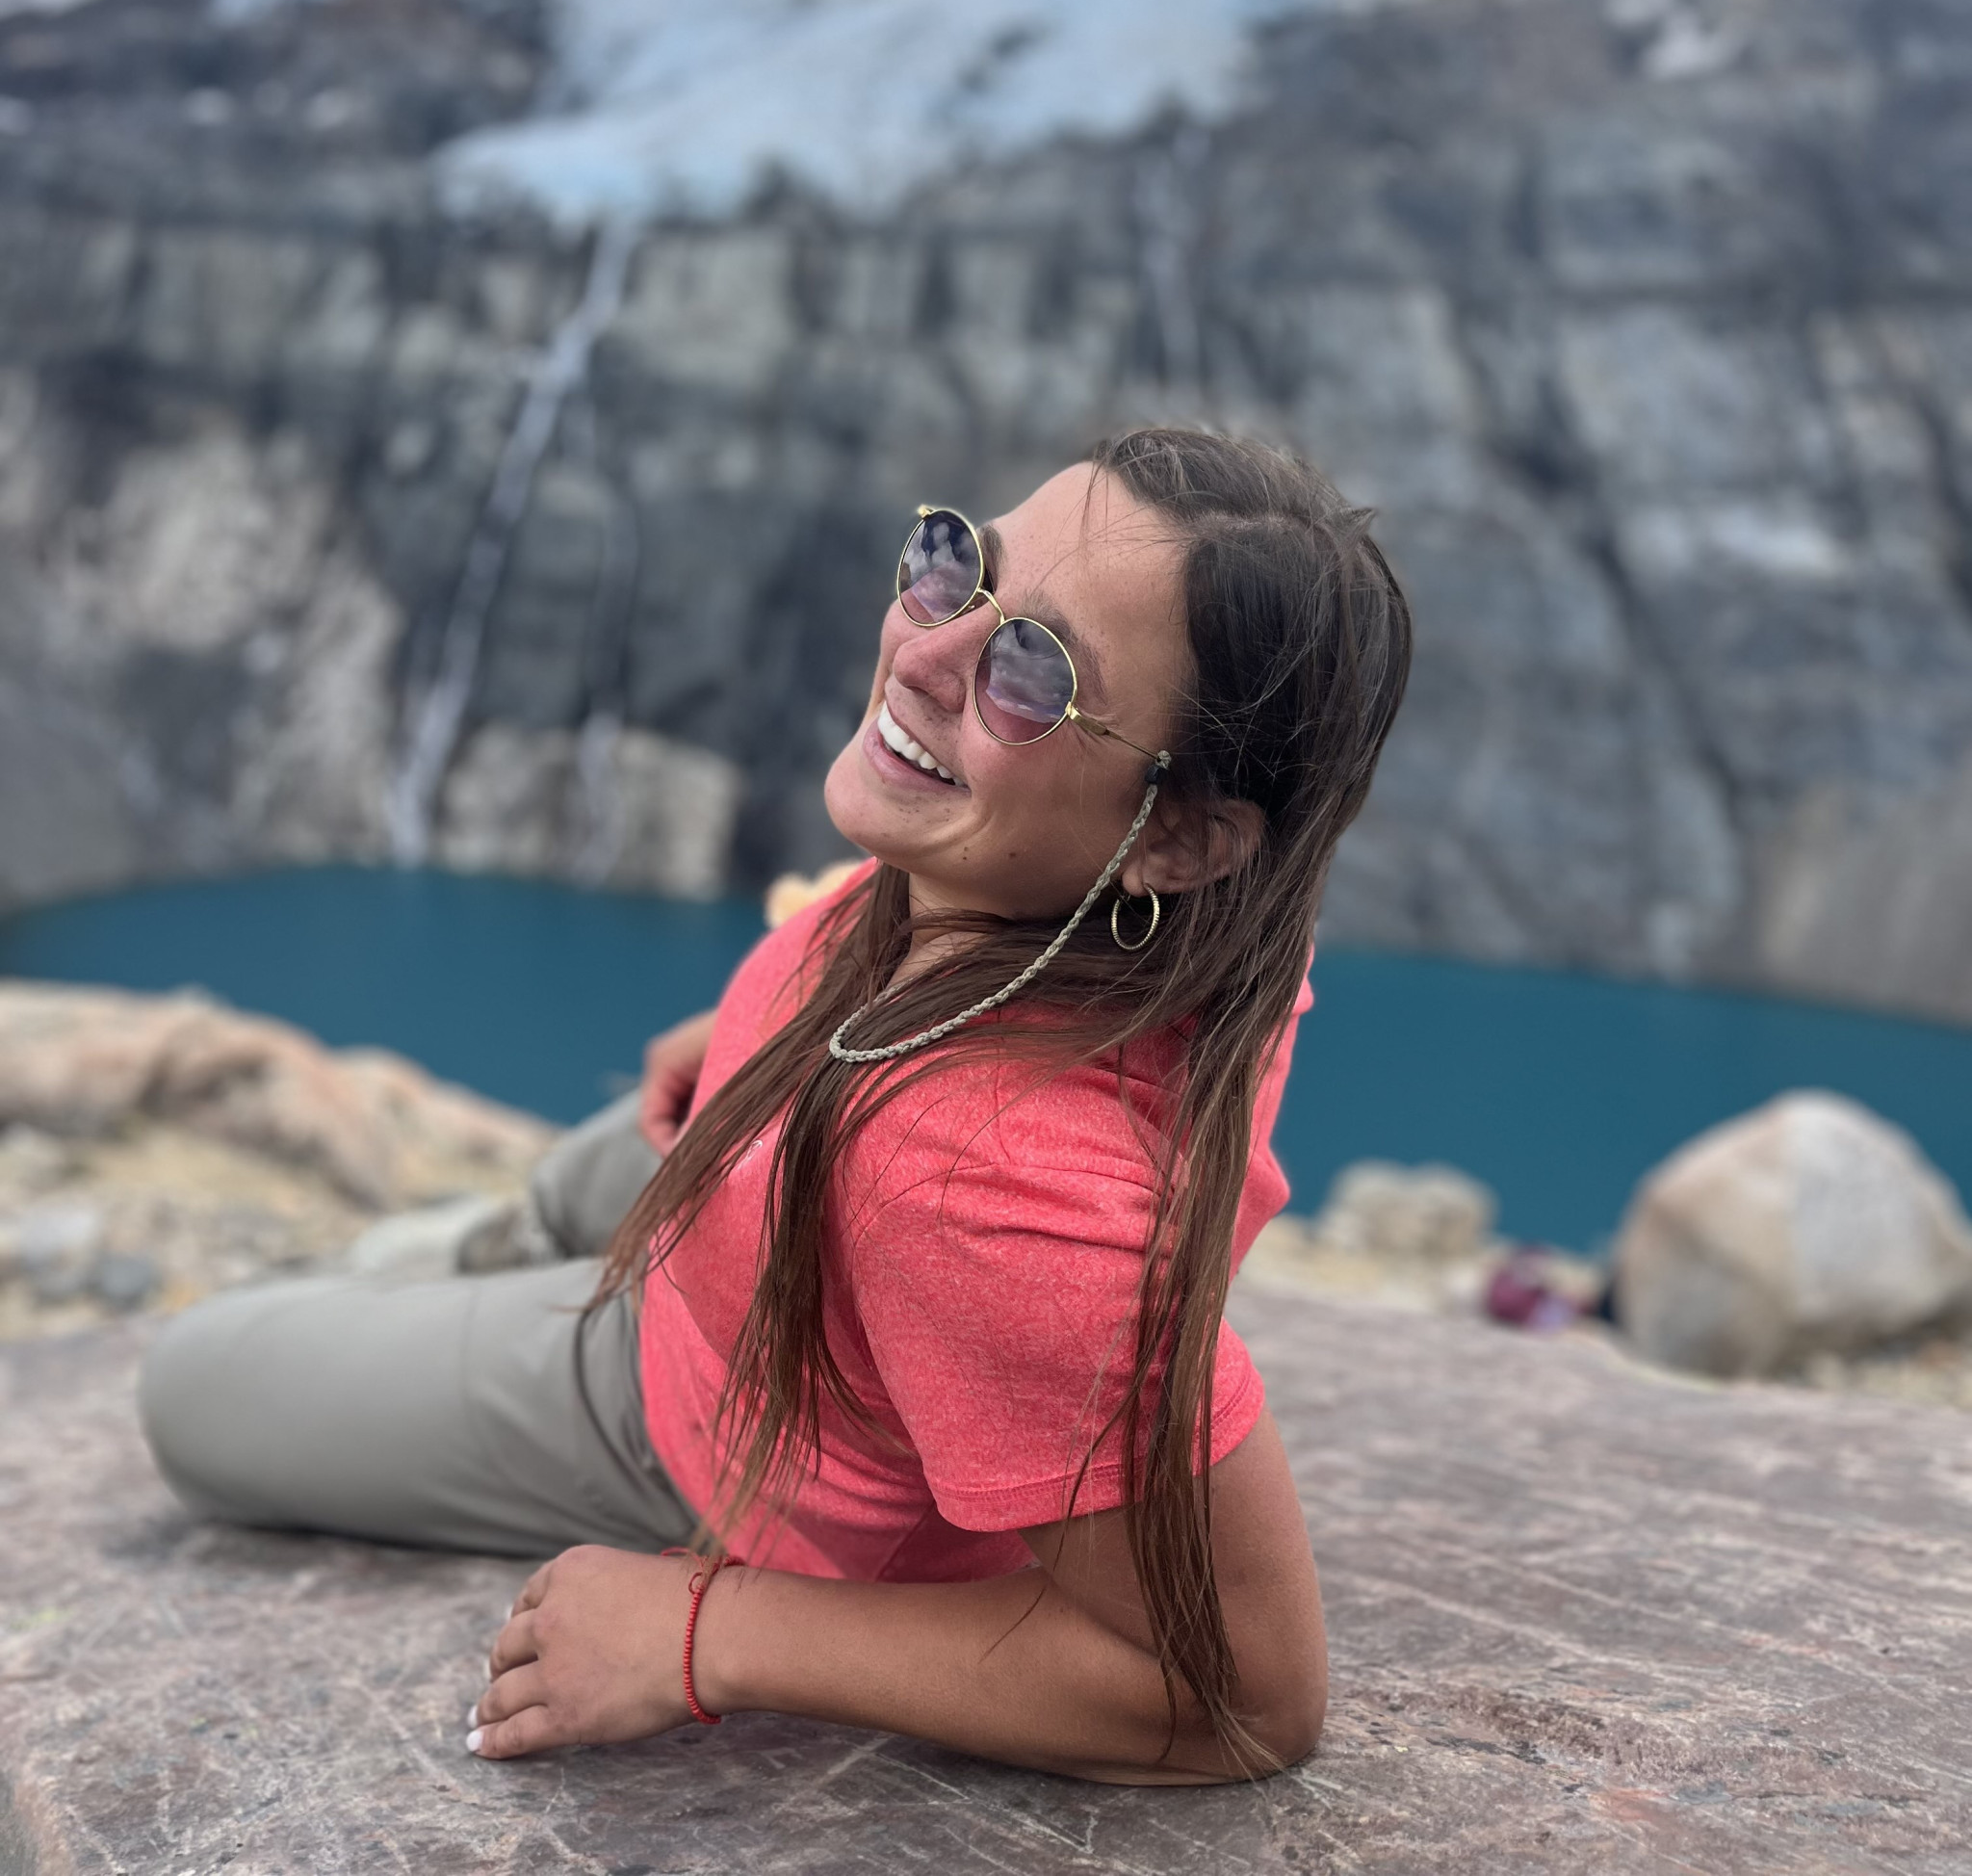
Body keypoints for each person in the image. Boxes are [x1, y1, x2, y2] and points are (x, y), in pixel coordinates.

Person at [141, 428, 1411, 1784]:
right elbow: (968, 870)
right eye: (954, 563)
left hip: (709, 1403)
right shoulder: (1194, 920)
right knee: (577, 1179)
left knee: (191, 1387)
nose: (923, 652)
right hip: (749, 1190)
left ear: (1180, 837)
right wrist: (776, 1021)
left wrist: (709, 1631)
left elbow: (1239, 1696)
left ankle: (442, 1279)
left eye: (1032, 672)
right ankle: (488, 1252)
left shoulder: (979, 1186)